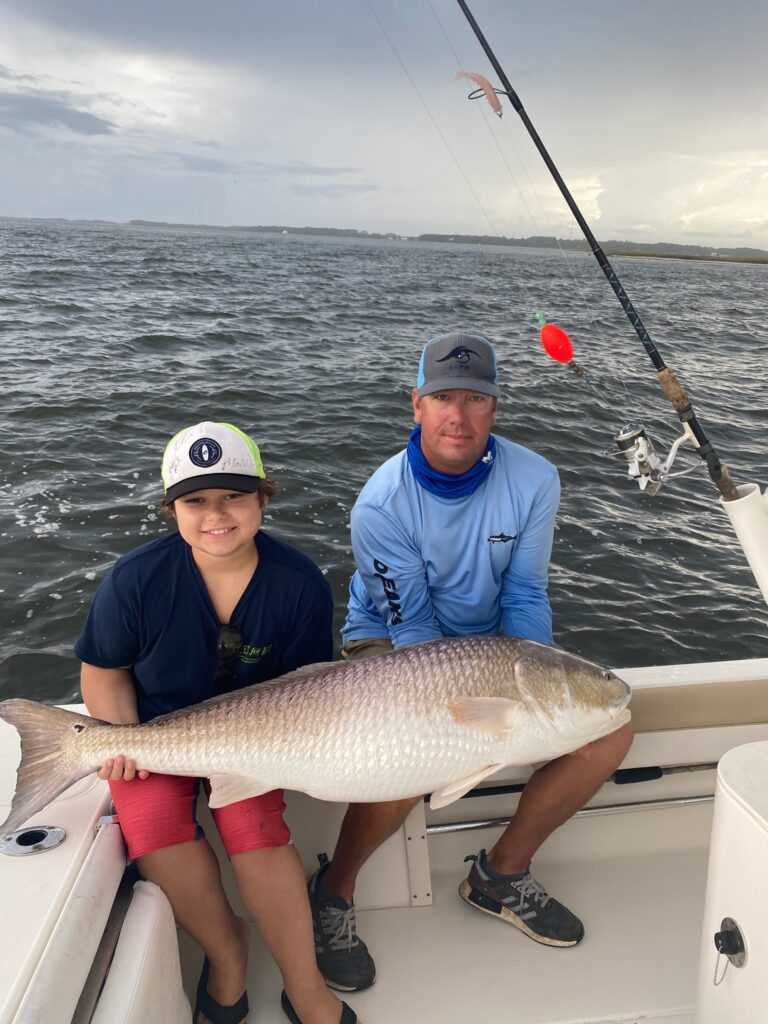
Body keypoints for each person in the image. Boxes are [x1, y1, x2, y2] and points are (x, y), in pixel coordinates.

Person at [307, 332, 634, 991]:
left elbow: (525, 592)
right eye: (442, 398)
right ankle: (333, 892)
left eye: (476, 400)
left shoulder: (536, 479)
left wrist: (531, 682)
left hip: (498, 644)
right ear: (416, 406)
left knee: (612, 730)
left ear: (496, 407)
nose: (459, 416)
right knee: (405, 756)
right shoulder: (379, 505)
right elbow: (414, 627)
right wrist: (468, 722)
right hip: (395, 641)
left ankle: (501, 876)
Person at [75, 421, 358, 1024]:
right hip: (155, 731)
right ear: (172, 508)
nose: (216, 515)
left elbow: (314, 690)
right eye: (196, 500)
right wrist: (122, 739)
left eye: (234, 495)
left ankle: (304, 986)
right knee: (150, 827)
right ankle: (227, 953)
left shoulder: (300, 584)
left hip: (256, 739)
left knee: (256, 829)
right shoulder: (134, 580)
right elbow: (102, 671)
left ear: (263, 497)